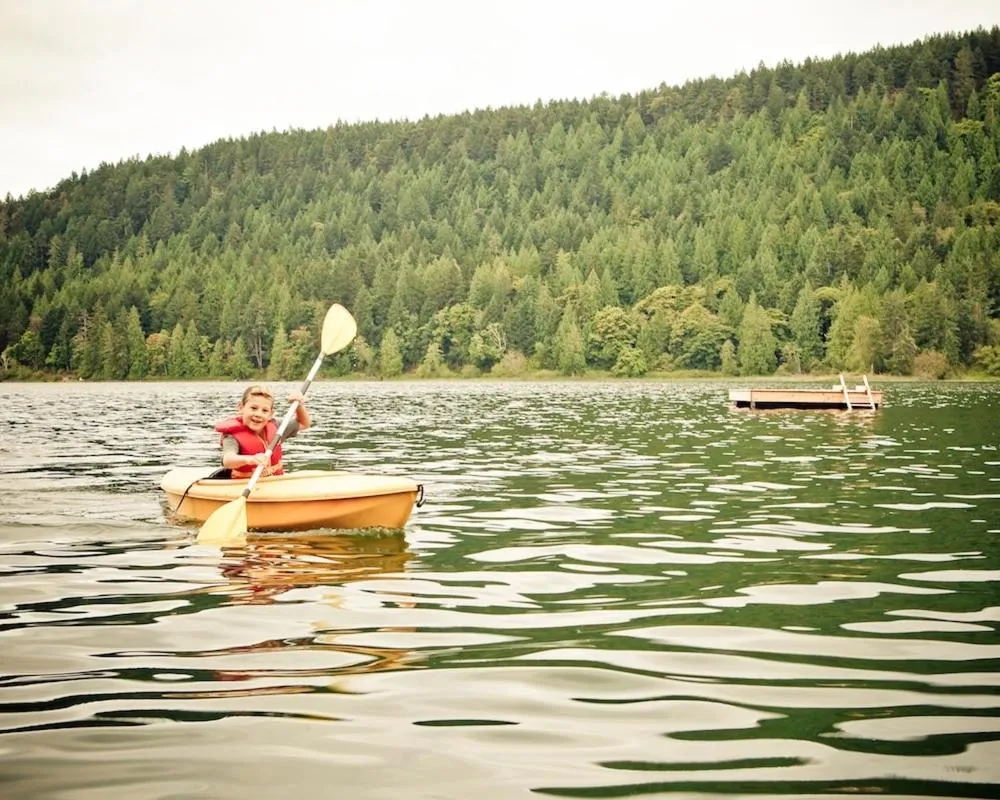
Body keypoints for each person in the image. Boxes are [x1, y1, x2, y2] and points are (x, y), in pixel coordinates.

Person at [214, 385, 311, 479]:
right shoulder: (232, 436)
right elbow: (227, 460)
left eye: (264, 410)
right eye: (253, 408)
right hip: (244, 484)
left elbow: (304, 424)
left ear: (270, 414)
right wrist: (250, 459)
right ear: (241, 408)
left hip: (276, 481)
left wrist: (299, 406)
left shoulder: (277, 427)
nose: (258, 414)